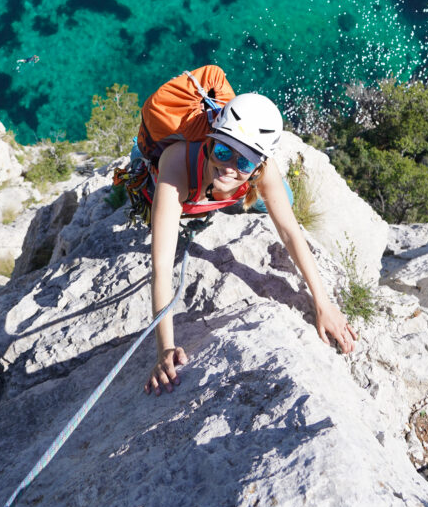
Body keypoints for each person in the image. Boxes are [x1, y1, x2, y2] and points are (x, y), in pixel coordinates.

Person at [143, 92, 358, 396]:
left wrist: (322, 303)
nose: (229, 166)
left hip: (226, 192)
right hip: (175, 185)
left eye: (243, 160)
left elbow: (290, 232)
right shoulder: (177, 163)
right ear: (208, 141)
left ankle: (224, 199)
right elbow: (162, 265)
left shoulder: (261, 171)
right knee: (227, 189)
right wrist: (165, 348)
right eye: (222, 150)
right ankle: (211, 197)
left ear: (258, 167)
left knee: (285, 198)